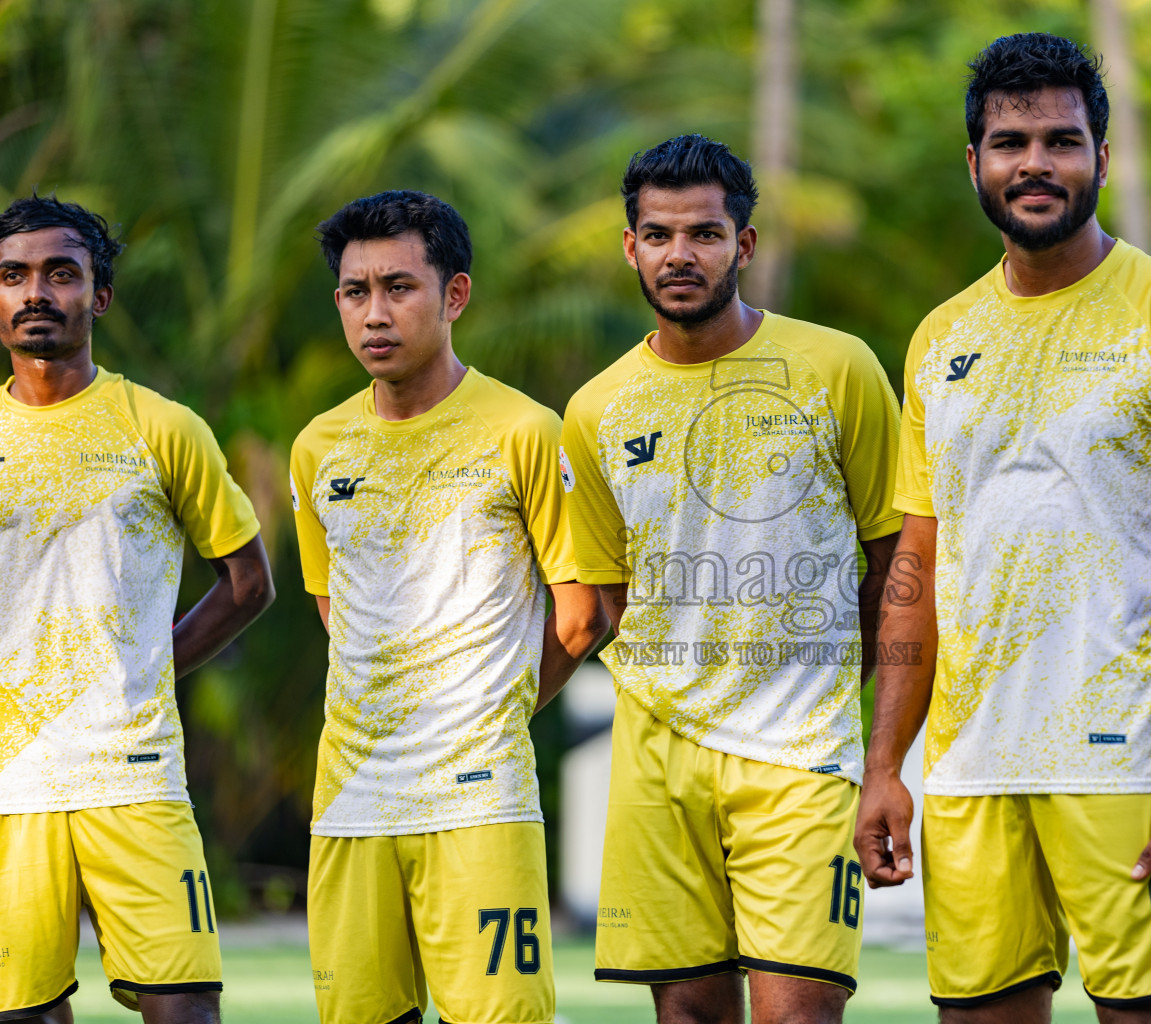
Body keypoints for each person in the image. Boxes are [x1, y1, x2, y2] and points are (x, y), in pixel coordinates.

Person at [854, 33, 1151, 1023]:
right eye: (1009, 142)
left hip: (1128, 757)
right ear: (975, 164)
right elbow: (920, 558)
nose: (1034, 162)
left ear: (1103, 159)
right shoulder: (940, 338)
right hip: (971, 765)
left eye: (1061, 140)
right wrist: (884, 766)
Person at [561, 133, 903, 1024]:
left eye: (705, 234)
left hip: (801, 749)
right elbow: (608, 599)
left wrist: (859, 713)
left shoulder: (837, 368)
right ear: (630, 246)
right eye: (660, 234)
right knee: (687, 1015)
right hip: (656, 753)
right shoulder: (595, 410)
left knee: (798, 1012)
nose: (682, 254)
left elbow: (895, 559)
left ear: (743, 246)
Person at [290, 190, 607, 1024]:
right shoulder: (318, 446)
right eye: (356, 293)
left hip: (478, 798)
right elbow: (338, 612)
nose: (375, 313)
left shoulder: (523, 430)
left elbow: (583, 614)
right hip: (350, 798)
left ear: (454, 295)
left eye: (399, 287)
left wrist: (489, 711)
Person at [0, 195, 274, 1024]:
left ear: (100, 297)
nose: (35, 292)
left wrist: (150, 663)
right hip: (10, 785)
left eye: (61, 273)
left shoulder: (161, 427)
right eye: (13, 276)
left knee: (184, 1012)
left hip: (135, 775)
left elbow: (247, 582)